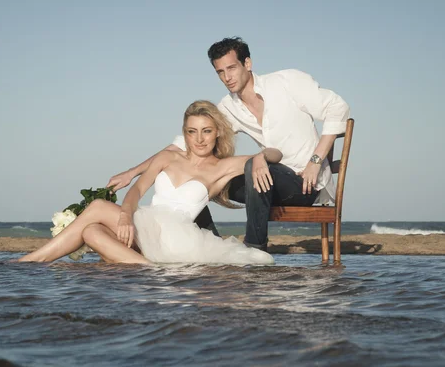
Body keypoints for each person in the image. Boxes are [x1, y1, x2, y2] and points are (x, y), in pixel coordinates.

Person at [108, 37, 350, 251]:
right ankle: (209, 242)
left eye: (232, 68)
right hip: (265, 183)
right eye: (220, 72)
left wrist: (315, 161)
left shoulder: (287, 82)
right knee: (199, 175)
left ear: (247, 64)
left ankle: (255, 248)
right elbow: (182, 146)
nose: (227, 77)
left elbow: (338, 108)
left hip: (304, 184)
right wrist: (131, 173)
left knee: (248, 168)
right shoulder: (228, 108)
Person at [18, 100, 279, 265]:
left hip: (176, 238)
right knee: (90, 232)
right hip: (147, 223)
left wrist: (259, 157)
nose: (199, 139)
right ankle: (146, 267)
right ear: (185, 133)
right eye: (192, 131)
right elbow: (137, 190)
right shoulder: (167, 157)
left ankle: (29, 261)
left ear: (217, 132)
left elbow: (276, 154)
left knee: (97, 207)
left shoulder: (221, 167)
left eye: (206, 131)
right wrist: (125, 217)